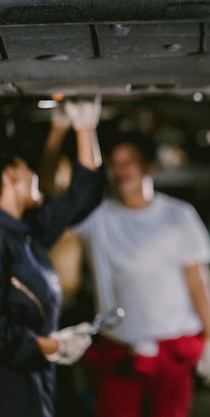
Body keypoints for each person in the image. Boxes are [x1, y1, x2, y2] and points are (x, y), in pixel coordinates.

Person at [68, 129, 210, 417]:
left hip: (173, 351)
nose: (121, 170)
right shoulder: (97, 217)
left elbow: (197, 279)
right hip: (119, 352)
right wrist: (83, 128)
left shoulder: (178, 214)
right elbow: (71, 190)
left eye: (129, 162)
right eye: (115, 163)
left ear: (148, 167)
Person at [0, 98, 106, 417]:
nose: (35, 175)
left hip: (31, 378)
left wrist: (85, 125)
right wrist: (52, 346)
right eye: (27, 169)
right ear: (11, 178)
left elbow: (82, 196)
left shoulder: (25, 233)